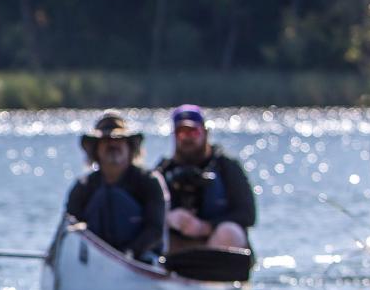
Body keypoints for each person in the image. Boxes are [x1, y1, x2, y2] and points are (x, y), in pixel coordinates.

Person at [65, 111, 168, 263]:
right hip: (93, 262)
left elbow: (155, 230)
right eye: (106, 140)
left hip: (139, 261)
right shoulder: (83, 187)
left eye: (119, 140)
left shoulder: (149, 182)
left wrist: (129, 253)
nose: (113, 144)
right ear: (96, 149)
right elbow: (69, 227)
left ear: (130, 147)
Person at [155, 104, 256, 251]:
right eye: (182, 133)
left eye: (193, 132)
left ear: (205, 132)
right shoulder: (162, 172)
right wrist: (168, 218)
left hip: (217, 245)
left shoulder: (227, 167)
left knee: (229, 231)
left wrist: (205, 227)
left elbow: (247, 215)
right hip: (178, 248)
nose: (187, 139)